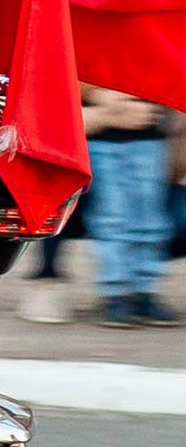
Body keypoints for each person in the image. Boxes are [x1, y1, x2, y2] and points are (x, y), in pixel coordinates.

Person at [79, 84, 178, 327]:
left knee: (151, 220)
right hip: (103, 139)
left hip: (150, 138)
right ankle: (115, 292)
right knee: (113, 218)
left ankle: (144, 289)